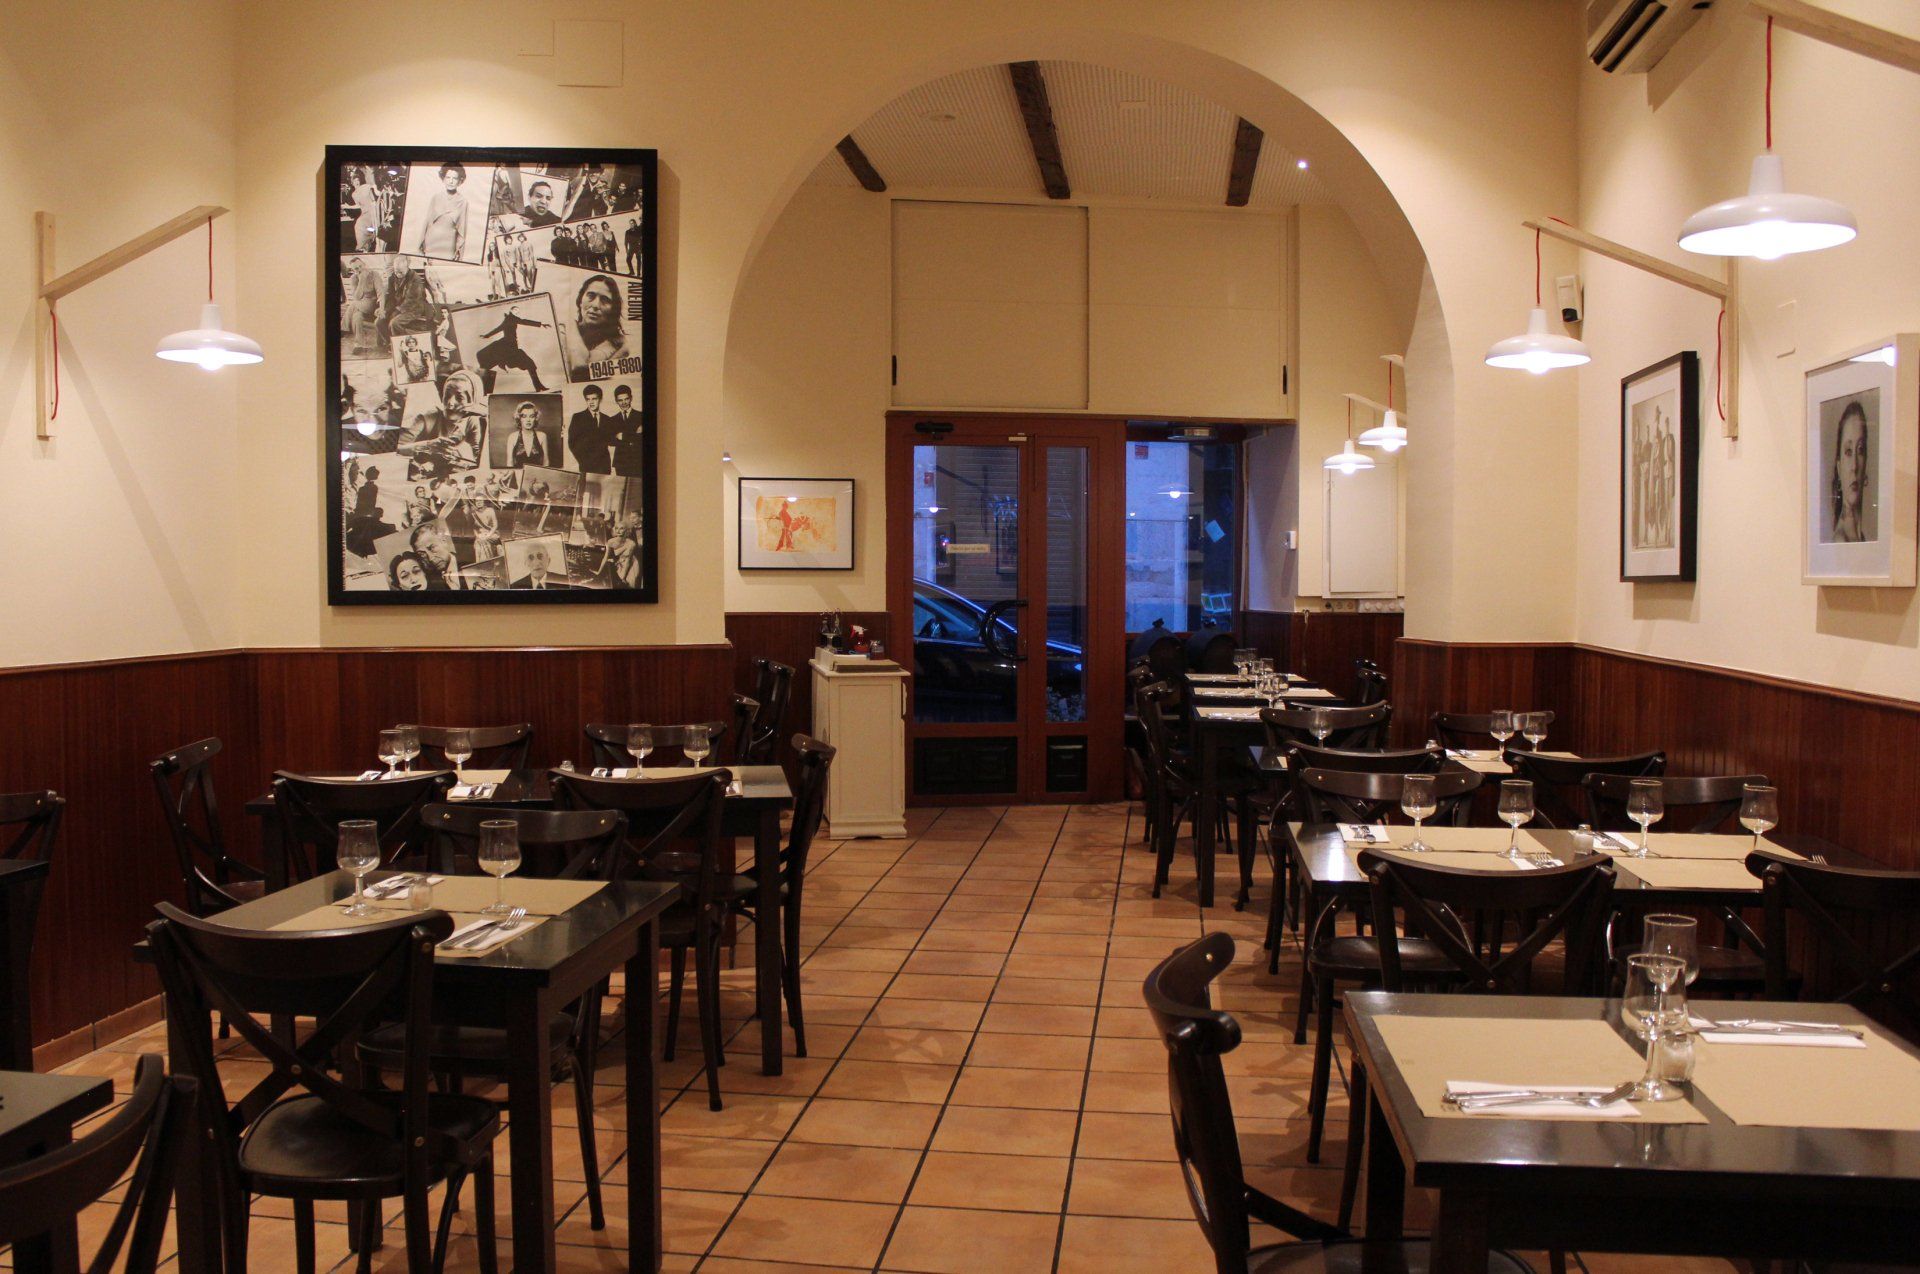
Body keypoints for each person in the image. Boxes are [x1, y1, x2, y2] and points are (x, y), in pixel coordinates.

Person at [560, 274, 628, 380]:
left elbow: (581, 367)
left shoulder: (616, 342)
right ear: (580, 300)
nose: (596, 305)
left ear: (613, 309)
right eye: (591, 296)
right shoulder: (561, 332)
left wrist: (569, 322)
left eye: (605, 300)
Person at [473, 305, 553, 392]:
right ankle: (538, 386)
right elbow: (524, 321)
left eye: (518, 311)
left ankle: (538, 386)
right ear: (511, 310)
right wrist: (540, 324)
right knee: (530, 364)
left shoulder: (507, 319)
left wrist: (487, 335)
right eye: (515, 310)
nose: (517, 312)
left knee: (530, 364)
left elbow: (498, 329)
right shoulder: (511, 318)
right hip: (508, 348)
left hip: (511, 348)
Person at [1831, 399, 1874, 542]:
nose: (1854, 466)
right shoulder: (1840, 540)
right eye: (1848, 452)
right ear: (1839, 468)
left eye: (1860, 450)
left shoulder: (1861, 538)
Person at [413, 161, 469, 258]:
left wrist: (459, 250)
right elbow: (427, 222)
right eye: (448, 177)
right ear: (443, 179)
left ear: (460, 181)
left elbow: (462, 230)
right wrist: (420, 243)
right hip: (431, 242)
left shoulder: (463, 202)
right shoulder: (436, 198)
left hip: (448, 245)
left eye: (455, 178)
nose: (451, 181)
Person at [344, 465, 395, 560]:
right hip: (364, 514)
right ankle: (362, 551)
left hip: (363, 514)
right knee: (366, 531)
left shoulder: (366, 488)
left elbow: (363, 503)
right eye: (376, 475)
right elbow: (367, 503)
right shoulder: (372, 488)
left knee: (366, 531)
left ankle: (362, 551)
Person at [567, 384, 613, 473]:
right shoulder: (578, 417)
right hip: (586, 466)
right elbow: (572, 442)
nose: (591, 402)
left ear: (600, 399)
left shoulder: (607, 419)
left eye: (594, 399)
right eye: (588, 399)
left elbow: (610, 440)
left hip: (604, 466)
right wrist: (583, 461)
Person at [410, 524, 465, 588]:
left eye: (432, 547)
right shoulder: (428, 582)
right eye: (422, 554)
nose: (430, 558)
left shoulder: (471, 560)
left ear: (444, 541)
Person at [608, 383, 644, 477]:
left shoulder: (641, 416)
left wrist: (623, 436)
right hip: (621, 461)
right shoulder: (612, 420)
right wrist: (635, 435)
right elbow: (610, 441)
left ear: (631, 398)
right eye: (620, 400)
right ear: (616, 401)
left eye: (626, 399)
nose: (624, 403)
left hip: (638, 460)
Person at [509, 542, 575, 590]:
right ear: (526, 563)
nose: (536, 562)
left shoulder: (565, 582)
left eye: (540, 556)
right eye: (531, 557)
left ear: (548, 560)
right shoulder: (514, 587)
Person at [506, 400, 553, 468]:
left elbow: (546, 462)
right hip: (518, 473)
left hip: (537, 474)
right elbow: (509, 463)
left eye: (531, 416)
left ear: (535, 418)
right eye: (524, 416)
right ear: (519, 418)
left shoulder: (542, 436)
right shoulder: (512, 437)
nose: (528, 420)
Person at [348, 166, 382, 251]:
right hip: (364, 212)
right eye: (355, 181)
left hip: (372, 210)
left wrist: (376, 191)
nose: (357, 182)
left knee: (361, 225)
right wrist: (348, 206)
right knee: (358, 225)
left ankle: (367, 243)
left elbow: (373, 186)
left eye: (358, 180)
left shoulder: (365, 186)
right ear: (352, 183)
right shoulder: (354, 194)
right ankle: (364, 246)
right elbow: (358, 205)